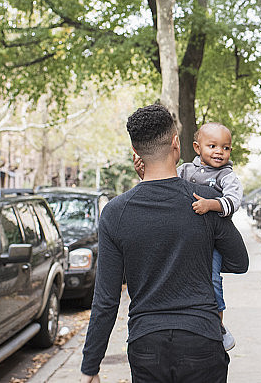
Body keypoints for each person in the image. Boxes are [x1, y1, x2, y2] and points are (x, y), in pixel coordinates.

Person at [80, 104, 249, 383]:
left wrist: (90, 367)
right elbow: (239, 262)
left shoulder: (115, 212)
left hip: (147, 343)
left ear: (136, 153)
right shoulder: (205, 200)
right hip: (202, 339)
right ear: (176, 143)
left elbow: (106, 299)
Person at [136, 122, 244, 351]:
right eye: (212, 145)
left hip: (212, 240)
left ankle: (219, 326)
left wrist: (210, 204)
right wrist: (145, 174)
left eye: (225, 148)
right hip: (186, 236)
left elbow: (233, 202)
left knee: (213, 279)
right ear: (197, 147)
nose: (219, 152)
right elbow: (165, 184)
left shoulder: (227, 176)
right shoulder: (185, 170)